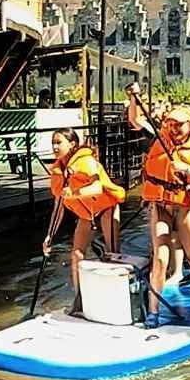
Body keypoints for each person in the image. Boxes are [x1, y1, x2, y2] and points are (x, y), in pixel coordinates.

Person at [129, 96, 190, 320]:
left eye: (180, 124)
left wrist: (187, 168)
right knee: (160, 258)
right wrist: (133, 98)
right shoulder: (158, 139)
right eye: (172, 124)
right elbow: (135, 119)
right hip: (160, 206)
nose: (175, 128)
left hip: (183, 208)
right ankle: (154, 311)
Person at [43, 128, 125, 312]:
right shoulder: (58, 170)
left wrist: (74, 193)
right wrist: (50, 236)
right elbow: (59, 207)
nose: (55, 146)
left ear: (72, 144)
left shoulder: (86, 161)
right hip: (86, 215)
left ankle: (116, 297)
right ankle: (79, 297)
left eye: (59, 142)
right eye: (53, 143)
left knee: (113, 254)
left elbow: (96, 187)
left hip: (106, 208)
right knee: (77, 254)